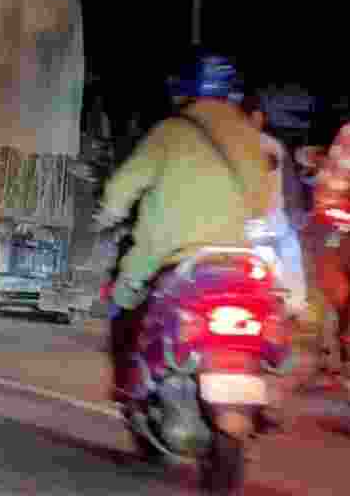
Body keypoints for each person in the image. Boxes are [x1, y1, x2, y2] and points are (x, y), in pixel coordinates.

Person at [94, 53, 275, 403]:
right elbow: (262, 205)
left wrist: (107, 214)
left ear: (183, 91)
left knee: (121, 301)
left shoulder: (170, 132)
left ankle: (126, 385)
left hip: (170, 258)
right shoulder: (251, 137)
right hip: (236, 262)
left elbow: (121, 189)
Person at [242, 95, 310, 318]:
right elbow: (291, 192)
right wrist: (298, 220)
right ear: (256, 116)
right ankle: (295, 308)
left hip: (247, 228)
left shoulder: (228, 146)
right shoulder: (273, 144)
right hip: (274, 225)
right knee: (291, 254)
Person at [308, 116, 350, 384]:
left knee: (331, 284)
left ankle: (333, 353)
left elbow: (329, 190)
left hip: (336, 225)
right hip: (338, 224)